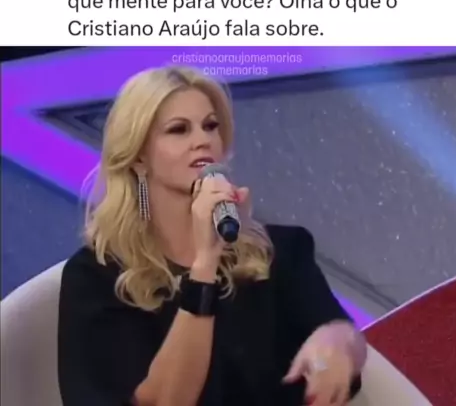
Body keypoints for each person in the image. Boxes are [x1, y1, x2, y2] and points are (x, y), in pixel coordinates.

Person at [58, 67, 367, 406]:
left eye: (210, 126)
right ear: (139, 158)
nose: (202, 140)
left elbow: (339, 330)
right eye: (179, 130)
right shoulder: (96, 279)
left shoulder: (278, 252)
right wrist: (205, 265)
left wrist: (340, 341)